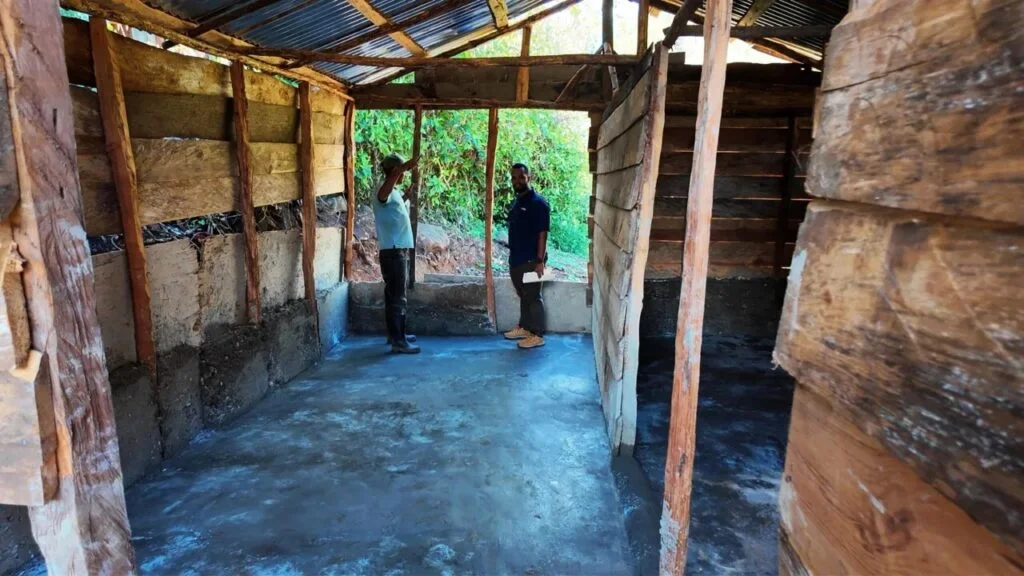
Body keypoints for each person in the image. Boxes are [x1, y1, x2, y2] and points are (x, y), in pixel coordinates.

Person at [374, 153, 420, 354]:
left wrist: (406, 197)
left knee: (393, 295)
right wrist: (404, 166)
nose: (403, 175)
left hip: (396, 250)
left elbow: (391, 209)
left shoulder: (393, 193)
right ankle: (399, 341)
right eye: (401, 171)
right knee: (398, 297)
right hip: (393, 252)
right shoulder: (383, 190)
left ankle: (396, 335)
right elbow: (383, 195)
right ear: (394, 171)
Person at [503, 163, 550, 349]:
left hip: (532, 260)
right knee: (524, 295)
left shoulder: (538, 203)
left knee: (533, 297)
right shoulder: (517, 201)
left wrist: (540, 261)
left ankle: (537, 335)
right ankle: (525, 328)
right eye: (514, 178)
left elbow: (542, 234)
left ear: (529, 177)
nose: (517, 181)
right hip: (516, 259)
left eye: (521, 177)